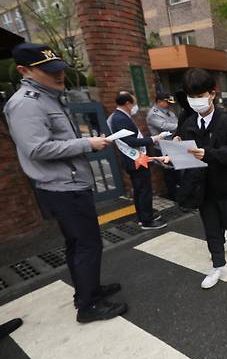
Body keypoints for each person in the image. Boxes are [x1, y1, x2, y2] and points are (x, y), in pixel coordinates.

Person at [3, 43, 126, 323]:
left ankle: (88, 290)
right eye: (49, 71)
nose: (59, 76)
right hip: (62, 187)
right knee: (87, 245)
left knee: (78, 244)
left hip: (68, 184)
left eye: (59, 69)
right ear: (24, 71)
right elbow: (37, 149)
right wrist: (86, 143)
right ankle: (88, 305)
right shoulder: (26, 103)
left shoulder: (48, 98)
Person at [177, 68, 227, 289]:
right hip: (202, 186)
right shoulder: (188, 124)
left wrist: (209, 154)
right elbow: (185, 153)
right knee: (211, 227)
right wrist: (171, 155)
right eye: (191, 96)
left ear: (212, 94)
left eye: (199, 96)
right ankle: (218, 264)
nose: (195, 101)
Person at [108, 91, 167, 230]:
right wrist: (154, 138)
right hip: (134, 159)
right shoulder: (120, 118)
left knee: (140, 190)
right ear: (128, 104)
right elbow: (131, 141)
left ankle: (144, 216)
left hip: (134, 159)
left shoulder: (118, 116)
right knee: (144, 190)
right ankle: (147, 221)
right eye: (134, 103)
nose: (135, 106)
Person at [146, 92, 179, 200]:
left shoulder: (169, 112)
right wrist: (180, 126)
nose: (169, 104)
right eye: (166, 102)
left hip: (173, 145)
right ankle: (173, 195)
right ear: (159, 102)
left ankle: (179, 192)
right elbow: (165, 126)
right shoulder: (154, 114)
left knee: (177, 171)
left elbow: (175, 122)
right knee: (169, 172)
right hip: (162, 147)